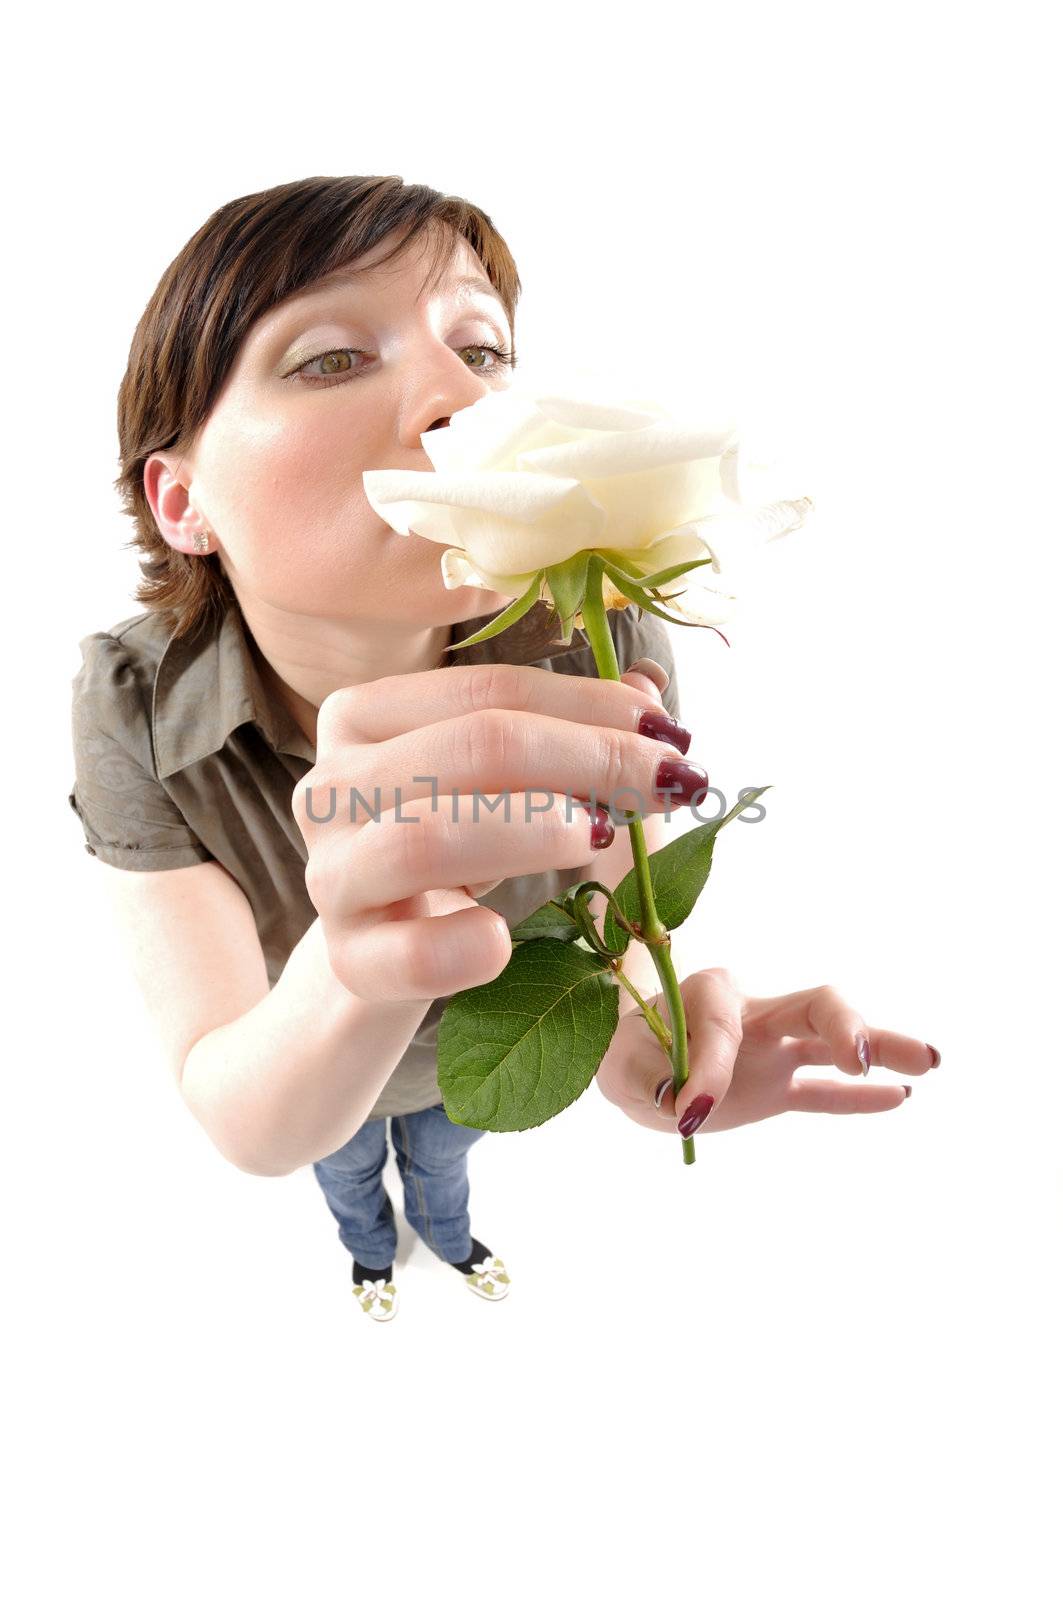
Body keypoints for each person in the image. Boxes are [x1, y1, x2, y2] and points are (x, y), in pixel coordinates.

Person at [68, 176, 940, 1324]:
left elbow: (621, 917)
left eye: (482, 351)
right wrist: (354, 964)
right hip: (314, 1065)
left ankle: (450, 1241)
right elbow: (243, 1110)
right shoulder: (132, 701)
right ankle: (368, 1263)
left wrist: (650, 1046)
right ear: (182, 501)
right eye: (332, 356)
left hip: (491, 1047)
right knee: (344, 1171)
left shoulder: (599, 634)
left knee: (443, 1154)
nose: (455, 395)